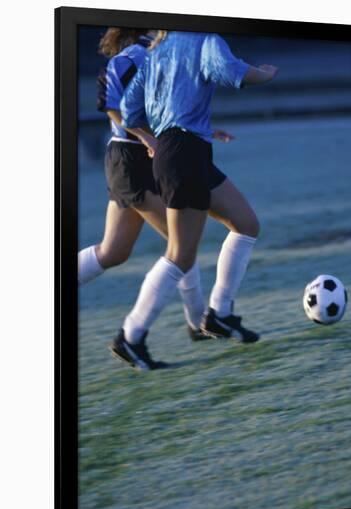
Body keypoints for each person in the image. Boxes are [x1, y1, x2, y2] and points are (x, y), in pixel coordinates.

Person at [113, 30, 277, 369]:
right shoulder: (204, 39)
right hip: (183, 153)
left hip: (187, 151)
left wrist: (159, 135)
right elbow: (234, 73)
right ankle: (130, 337)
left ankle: (220, 313)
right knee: (180, 255)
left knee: (246, 224)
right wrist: (265, 72)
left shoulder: (157, 49)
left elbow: (129, 110)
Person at [78, 28, 235, 369]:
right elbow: (111, 105)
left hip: (147, 156)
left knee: (114, 251)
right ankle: (182, 328)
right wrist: (147, 138)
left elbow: (171, 106)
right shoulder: (134, 55)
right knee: (181, 247)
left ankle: (195, 325)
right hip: (132, 159)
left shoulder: (158, 50)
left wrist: (205, 131)